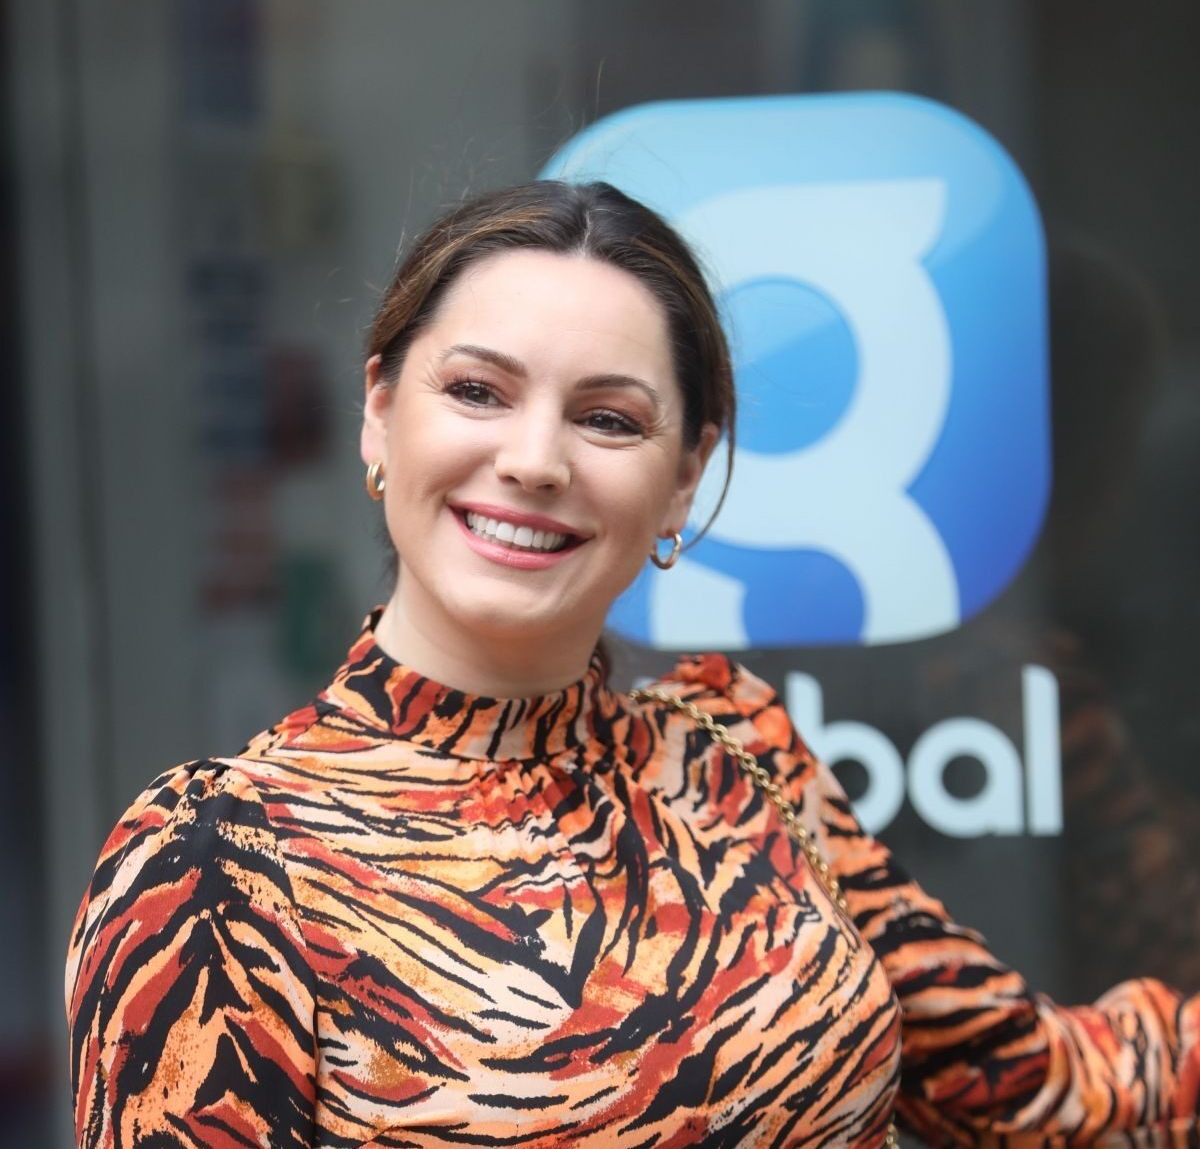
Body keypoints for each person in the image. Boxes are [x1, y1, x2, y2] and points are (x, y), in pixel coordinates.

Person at [64, 181, 1200, 1148]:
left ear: (684, 477)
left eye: (608, 419)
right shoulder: (216, 865)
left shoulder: (733, 749)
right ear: (380, 415)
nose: (534, 460)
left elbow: (1032, 1085)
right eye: (477, 391)